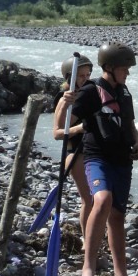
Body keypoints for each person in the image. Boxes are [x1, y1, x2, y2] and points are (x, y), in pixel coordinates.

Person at [69, 42, 138, 276]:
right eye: (124, 68)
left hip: (122, 160)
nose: (128, 73)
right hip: (96, 156)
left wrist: (137, 141)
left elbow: (129, 122)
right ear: (109, 67)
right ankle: (87, 268)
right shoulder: (91, 91)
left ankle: (121, 275)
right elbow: (68, 120)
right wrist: (64, 103)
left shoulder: (124, 92)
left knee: (118, 217)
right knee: (102, 201)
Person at [53, 54, 94, 238]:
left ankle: (95, 237)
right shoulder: (64, 99)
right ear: (70, 77)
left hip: (93, 152)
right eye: (81, 76)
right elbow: (57, 133)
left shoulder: (89, 95)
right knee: (89, 200)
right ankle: (87, 240)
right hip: (75, 153)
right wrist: (79, 128)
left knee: (100, 200)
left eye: (88, 75)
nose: (85, 79)